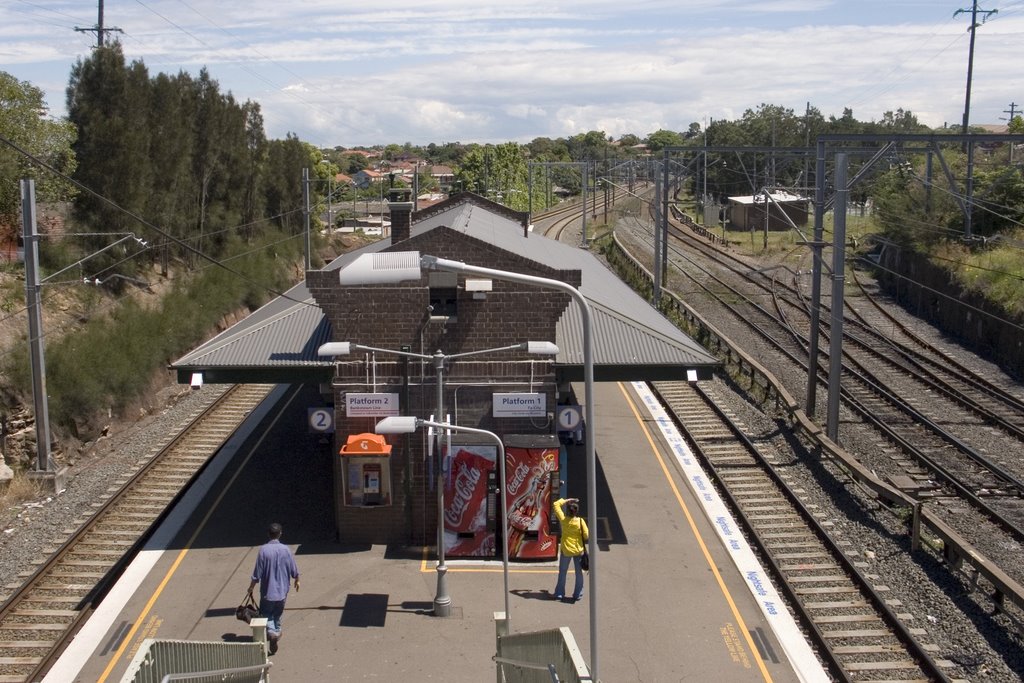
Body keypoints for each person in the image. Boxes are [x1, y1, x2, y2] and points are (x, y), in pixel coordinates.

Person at [248, 522, 300, 655]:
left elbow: (257, 573)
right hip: (282, 590)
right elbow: (293, 567)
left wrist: (251, 587)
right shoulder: (285, 549)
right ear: (280, 534)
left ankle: (272, 633)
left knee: (266, 613)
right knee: (277, 613)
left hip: (267, 591)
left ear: (268, 534)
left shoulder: (263, 550)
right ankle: (276, 630)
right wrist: (297, 579)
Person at [552, 497, 588, 602]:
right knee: (578, 573)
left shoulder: (564, 520)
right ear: (576, 511)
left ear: (567, 511)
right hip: (578, 550)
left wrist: (566, 500)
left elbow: (555, 504)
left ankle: (559, 593)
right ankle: (578, 594)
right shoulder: (580, 522)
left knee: (563, 572)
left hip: (566, 550)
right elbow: (586, 535)